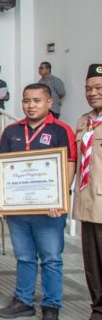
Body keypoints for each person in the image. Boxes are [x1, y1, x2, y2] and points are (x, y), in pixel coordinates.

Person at [0, 83, 76, 320]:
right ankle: (24, 300)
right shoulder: (11, 131)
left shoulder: (61, 131)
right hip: (18, 209)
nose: (30, 105)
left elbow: (69, 165)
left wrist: (59, 196)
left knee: (51, 258)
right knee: (24, 257)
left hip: (49, 210)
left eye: (36, 100)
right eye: (26, 101)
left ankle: (51, 305)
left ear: (49, 103)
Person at [73, 64, 102, 320]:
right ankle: (97, 307)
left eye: (98, 88)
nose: (92, 93)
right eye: (88, 89)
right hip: (86, 201)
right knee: (92, 262)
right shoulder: (84, 121)